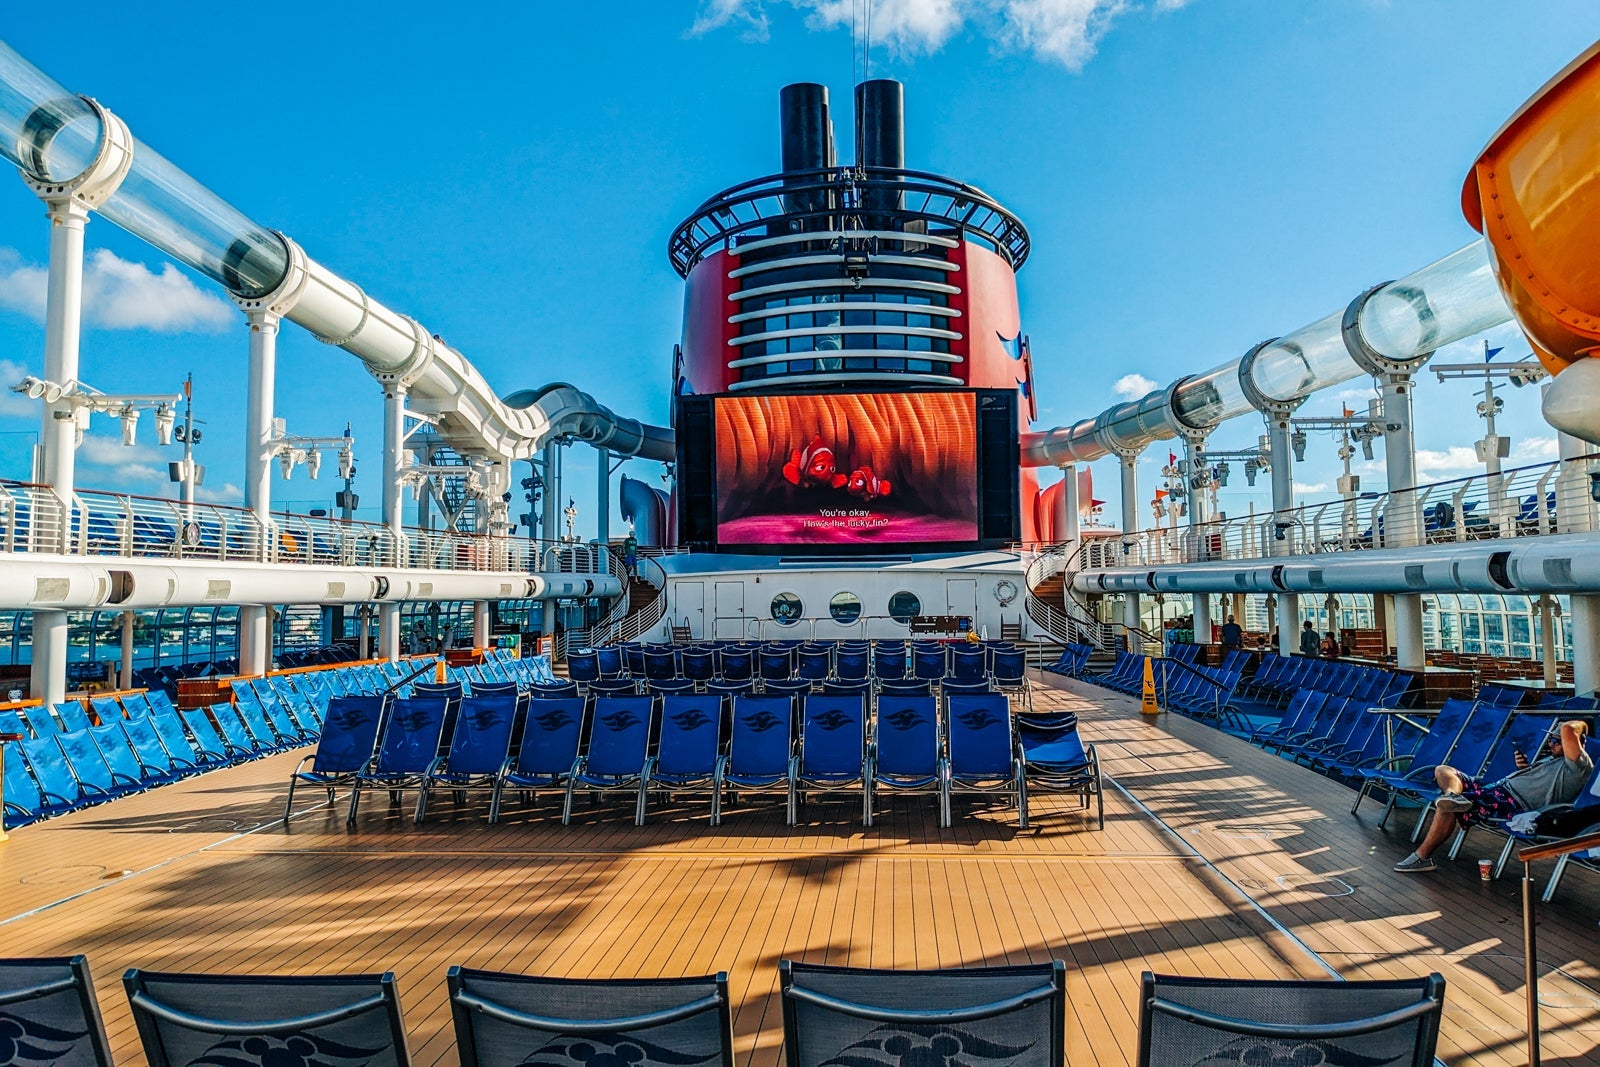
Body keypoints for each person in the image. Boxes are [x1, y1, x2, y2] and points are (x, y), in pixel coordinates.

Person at [1394, 720, 1593, 873]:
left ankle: (1422, 857)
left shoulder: (1579, 765)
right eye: (1551, 739)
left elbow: (1568, 728)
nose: (1551, 743)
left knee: (1446, 808)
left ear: (1577, 742)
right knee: (1443, 770)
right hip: (1494, 790)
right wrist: (1525, 769)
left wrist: (1583, 725)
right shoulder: (1552, 760)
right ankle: (1453, 795)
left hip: (1511, 803)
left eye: (1557, 741)